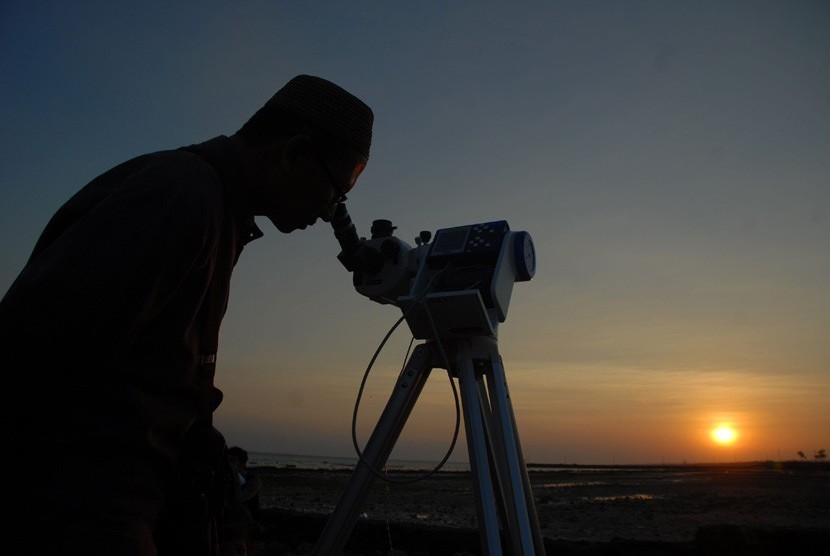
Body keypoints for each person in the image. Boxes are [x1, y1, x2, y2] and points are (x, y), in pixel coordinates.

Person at [0, 75, 373, 555]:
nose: (330, 213)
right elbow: (31, 351)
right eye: (335, 192)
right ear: (294, 152)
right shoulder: (182, 199)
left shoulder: (213, 208)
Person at [227, 446, 263, 522]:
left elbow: (239, 500)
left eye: (232, 460)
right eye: (227, 461)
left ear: (241, 463)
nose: (228, 464)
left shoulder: (254, 481)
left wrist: (235, 476)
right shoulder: (226, 478)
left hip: (247, 523)